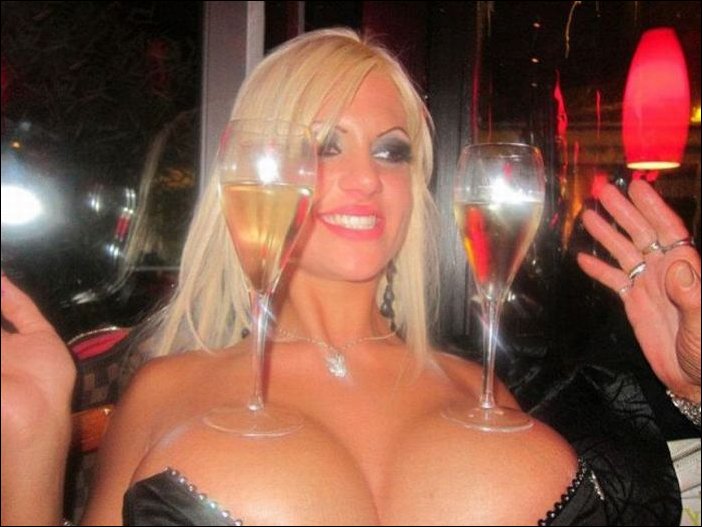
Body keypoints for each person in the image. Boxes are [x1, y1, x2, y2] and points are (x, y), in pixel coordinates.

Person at [1, 28, 699, 526]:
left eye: (390, 152)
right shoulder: (165, 389)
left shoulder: (485, 382)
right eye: (322, 146)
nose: (365, 178)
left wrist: (691, 392)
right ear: (252, 171)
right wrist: (29, 441)